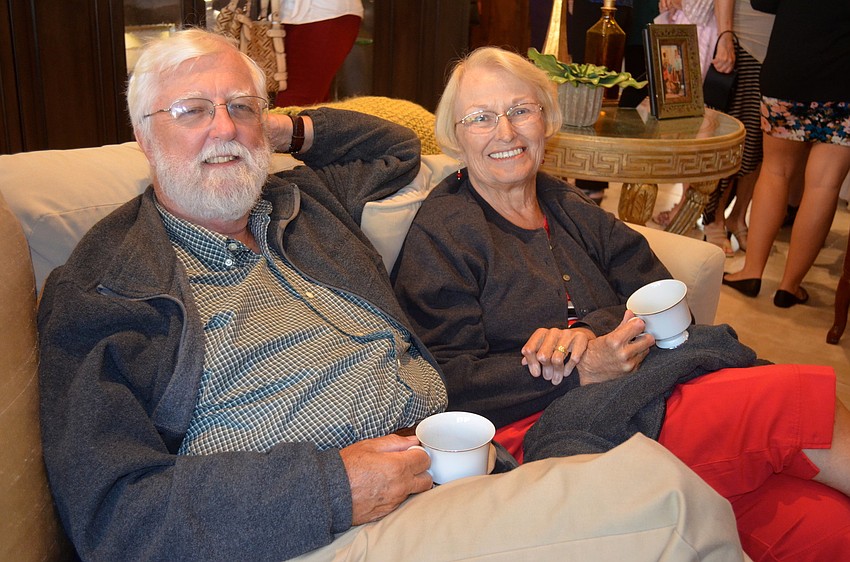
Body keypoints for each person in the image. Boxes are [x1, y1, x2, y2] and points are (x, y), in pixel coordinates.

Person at [36, 29, 747, 561]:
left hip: (456, 461)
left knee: (685, 489)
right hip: (322, 527)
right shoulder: (108, 282)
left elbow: (393, 147)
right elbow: (110, 512)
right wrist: (330, 487)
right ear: (142, 135)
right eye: (192, 111)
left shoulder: (300, 200)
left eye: (239, 108)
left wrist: (277, 127)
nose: (224, 129)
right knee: (666, 504)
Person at [391, 45, 850, 561]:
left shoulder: (566, 203)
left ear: (547, 119)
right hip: (545, 429)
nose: (506, 133)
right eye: (481, 118)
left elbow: (655, 288)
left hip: (644, 391)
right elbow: (443, 380)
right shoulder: (445, 232)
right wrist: (576, 369)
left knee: (827, 527)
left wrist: (591, 334)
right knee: (792, 400)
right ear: (455, 135)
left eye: (521, 110)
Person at [721, 0, 850, 307]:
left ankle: (751, 271)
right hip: (844, 79)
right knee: (823, 185)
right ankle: (790, 286)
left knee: (775, 171)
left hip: (789, 68)